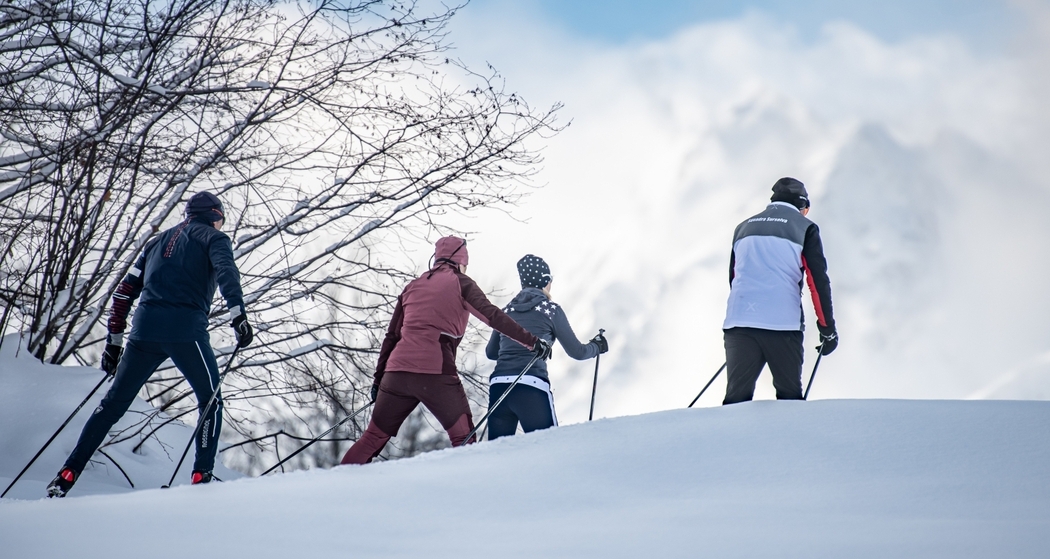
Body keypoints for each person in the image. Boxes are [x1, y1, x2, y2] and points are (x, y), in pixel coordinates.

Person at [47, 191, 253, 497]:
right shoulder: (214, 239)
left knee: (112, 405)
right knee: (211, 400)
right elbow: (226, 272)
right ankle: (201, 476)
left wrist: (114, 344)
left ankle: (67, 473)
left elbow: (122, 293)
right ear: (214, 215)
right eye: (221, 219)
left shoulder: (156, 243)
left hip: (143, 333)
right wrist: (239, 315)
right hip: (185, 332)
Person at [339, 236, 550, 464]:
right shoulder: (462, 283)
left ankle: (335, 483)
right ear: (461, 261)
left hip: (396, 374)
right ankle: (467, 491)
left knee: (372, 438)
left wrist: (378, 382)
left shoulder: (412, 286)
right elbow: (493, 316)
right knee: (464, 439)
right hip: (435, 373)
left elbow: (392, 336)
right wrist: (532, 341)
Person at [721, 177, 838, 405]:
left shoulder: (743, 227)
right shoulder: (805, 228)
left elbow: (734, 278)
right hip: (782, 325)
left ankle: (728, 440)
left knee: (735, 401)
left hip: (739, 322)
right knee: (789, 400)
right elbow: (817, 283)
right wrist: (827, 329)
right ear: (802, 206)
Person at [484, 255, 607, 439]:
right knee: (550, 450)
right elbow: (577, 352)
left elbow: (491, 353)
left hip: (499, 388)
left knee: (497, 457)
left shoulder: (506, 311)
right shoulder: (551, 310)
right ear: (544, 281)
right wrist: (596, 347)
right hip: (531, 388)